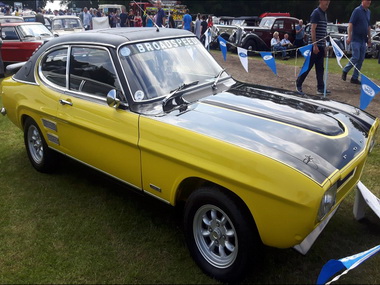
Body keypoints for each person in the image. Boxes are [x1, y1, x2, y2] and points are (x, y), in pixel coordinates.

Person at [296, 0, 331, 95]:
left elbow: (323, 32)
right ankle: (298, 83)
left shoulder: (324, 14)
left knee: (320, 68)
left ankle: (320, 88)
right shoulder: (316, 13)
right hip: (314, 46)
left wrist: (324, 46)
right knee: (307, 66)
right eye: (326, 0)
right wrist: (314, 44)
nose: (327, 2)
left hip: (321, 45)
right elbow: (313, 29)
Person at [341, 0, 372, 85]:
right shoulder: (357, 10)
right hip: (355, 39)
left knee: (361, 59)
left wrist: (369, 39)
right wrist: (349, 36)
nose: (369, 2)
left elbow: (368, 27)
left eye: (370, 0)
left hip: (363, 40)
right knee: (356, 57)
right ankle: (345, 70)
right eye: (367, 0)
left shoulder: (368, 12)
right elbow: (351, 24)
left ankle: (354, 77)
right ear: (363, 1)